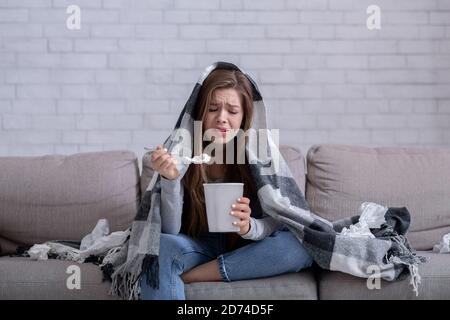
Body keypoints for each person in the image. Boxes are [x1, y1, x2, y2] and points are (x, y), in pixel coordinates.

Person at [139, 65, 314, 300]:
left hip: (246, 247)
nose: (222, 118)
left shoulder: (260, 154)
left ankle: (194, 275)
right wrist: (170, 180)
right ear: (201, 112)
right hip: (197, 244)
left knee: (302, 244)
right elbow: (170, 231)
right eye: (213, 109)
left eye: (232, 111)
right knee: (162, 247)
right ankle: (211, 268)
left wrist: (250, 226)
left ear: (244, 118)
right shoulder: (180, 151)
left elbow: (282, 219)